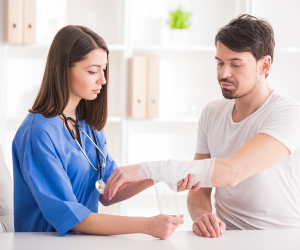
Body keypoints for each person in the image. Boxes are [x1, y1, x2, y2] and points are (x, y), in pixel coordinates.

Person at [104, 14, 300, 238]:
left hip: (280, 238)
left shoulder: (288, 113)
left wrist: (147, 169)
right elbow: (199, 189)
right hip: (226, 238)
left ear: (264, 65)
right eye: (219, 63)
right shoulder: (212, 113)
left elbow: (232, 172)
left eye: (235, 64)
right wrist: (202, 215)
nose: (223, 73)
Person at [12, 25, 201, 239]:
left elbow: (109, 191)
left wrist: (158, 174)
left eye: (104, 70)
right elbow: (72, 217)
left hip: (81, 243)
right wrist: (147, 225)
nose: (102, 79)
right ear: (63, 69)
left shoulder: (88, 126)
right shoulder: (38, 134)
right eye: (93, 71)